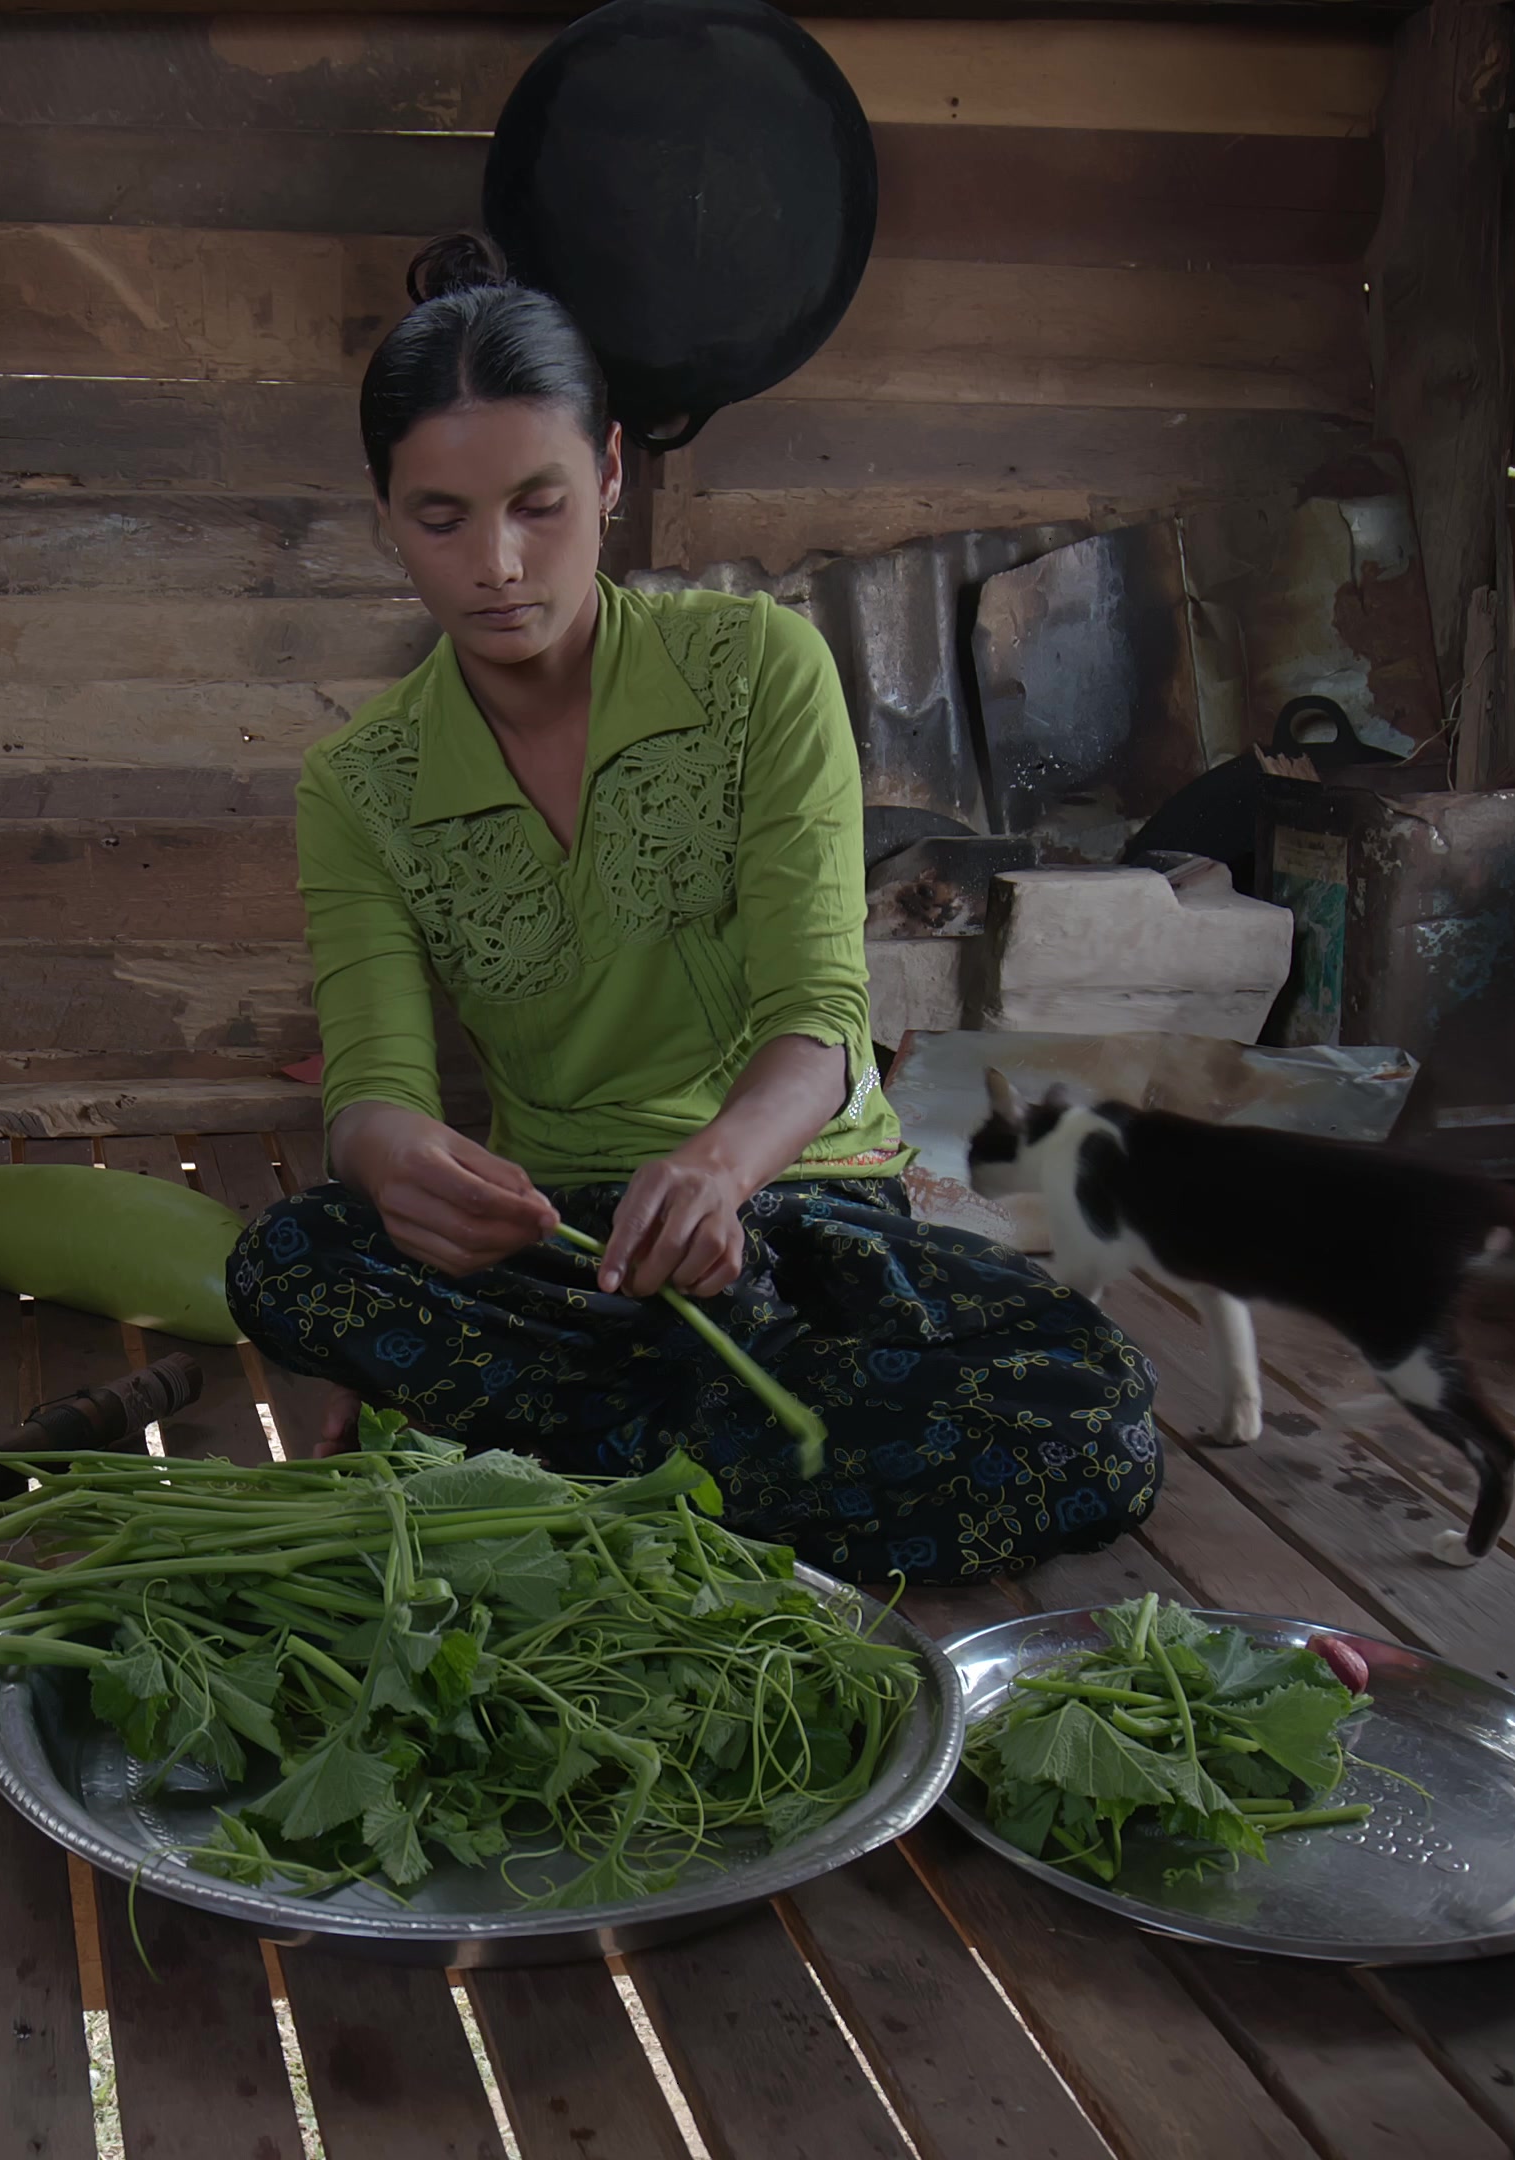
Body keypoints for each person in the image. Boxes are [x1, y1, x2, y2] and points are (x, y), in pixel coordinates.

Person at [224, 234, 1161, 1587]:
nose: (496, 562)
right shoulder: (358, 785)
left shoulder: (756, 671)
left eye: (537, 504)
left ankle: (546, 1481)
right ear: (383, 518)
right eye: (441, 519)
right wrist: (394, 1167)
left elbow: (819, 1018)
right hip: (560, 1249)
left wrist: (718, 1171)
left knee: (1101, 1416)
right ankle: (715, 1483)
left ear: (608, 475)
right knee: (290, 1261)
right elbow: (372, 1083)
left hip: (802, 1209)